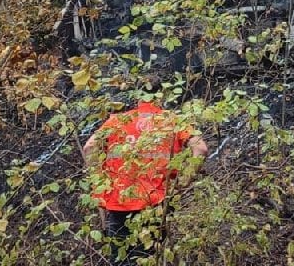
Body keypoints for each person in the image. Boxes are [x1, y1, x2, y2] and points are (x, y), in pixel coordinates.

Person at [83, 100, 209, 264]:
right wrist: (184, 180)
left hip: (119, 201)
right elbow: (201, 149)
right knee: (148, 258)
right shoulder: (173, 120)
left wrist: (99, 182)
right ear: (160, 96)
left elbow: (89, 147)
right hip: (156, 202)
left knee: (120, 259)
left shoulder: (117, 121)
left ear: (137, 98)